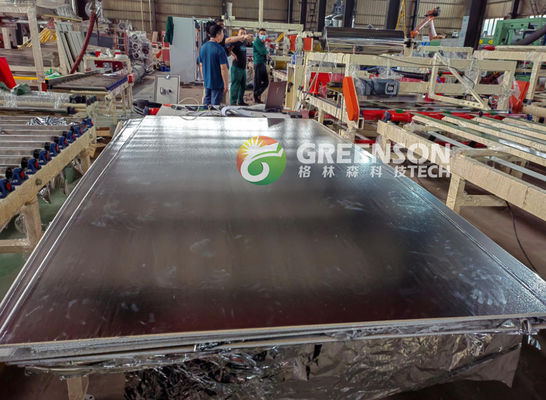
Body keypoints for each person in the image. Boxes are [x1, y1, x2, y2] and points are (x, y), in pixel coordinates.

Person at [199, 24, 229, 105]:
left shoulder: (203, 47)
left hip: (207, 82)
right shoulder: (220, 49)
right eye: (222, 33)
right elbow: (223, 68)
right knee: (215, 106)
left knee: (206, 103)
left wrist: (204, 79)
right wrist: (226, 84)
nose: (223, 36)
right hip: (217, 83)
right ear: (218, 34)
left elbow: (201, 65)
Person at [230, 28, 251, 105]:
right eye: (241, 33)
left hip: (243, 68)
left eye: (244, 33)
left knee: (242, 85)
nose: (243, 35)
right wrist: (232, 54)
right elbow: (227, 47)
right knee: (235, 85)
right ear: (238, 34)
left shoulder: (244, 42)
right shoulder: (235, 42)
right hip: (236, 67)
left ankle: (240, 101)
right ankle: (233, 102)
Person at [253, 28, 269, 104]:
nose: (263, 35)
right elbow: (262, 51)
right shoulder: (257, 41)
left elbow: (265, 51)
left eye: (264, 34)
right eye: (261, 34)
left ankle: (256, 94)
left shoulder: (262, 42)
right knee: (257, 82)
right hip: (258, 63)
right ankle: (256, 97)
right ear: (258, 34)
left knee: (266, 82)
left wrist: (266, 51)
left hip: (262, 63)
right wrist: (266, 52)